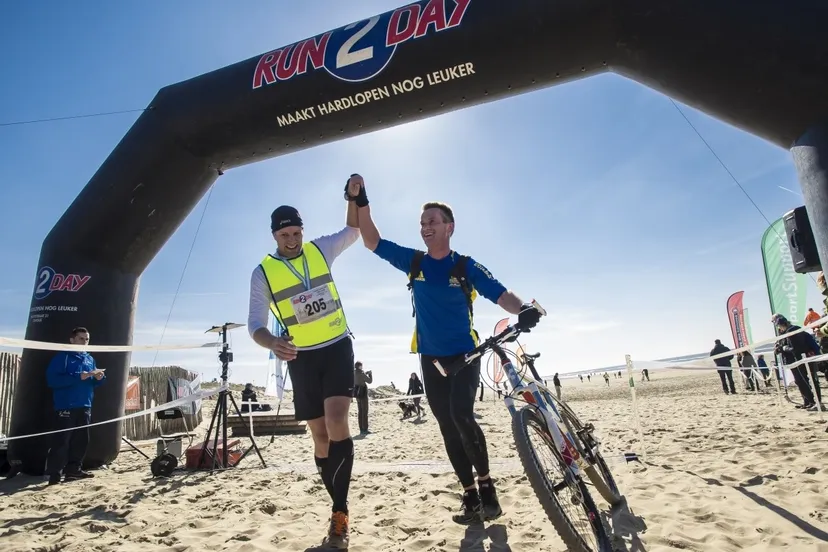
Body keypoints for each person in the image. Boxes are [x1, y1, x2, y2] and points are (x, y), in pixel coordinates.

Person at [348, 174, 542, 525]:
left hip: (465, 354)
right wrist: (361, 201)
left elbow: (499, 292)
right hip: (430, 358)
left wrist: (522, 309)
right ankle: (470, 495)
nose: (425, 227)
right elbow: (371, 241)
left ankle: (488, 490)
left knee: (461, 415)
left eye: (432, 221)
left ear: (449, 227)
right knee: (447, 426)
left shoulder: (465, 265)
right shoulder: (415, 262)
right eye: (422, 223)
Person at [247, 197, 359, 549]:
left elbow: (353, 230)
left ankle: (339, 512)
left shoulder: (320, 250)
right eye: (285, 235)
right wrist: (272, 344)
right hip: (302, 359)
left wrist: (354, 199)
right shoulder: (262, 272)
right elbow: (255, 324)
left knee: (338, 419)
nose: (292, 240)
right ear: (274, 235)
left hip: (338, 346)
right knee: (321, 439)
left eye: (296, 232)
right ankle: (337, 502)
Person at [44, 327, 106, 485]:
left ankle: (73, 471)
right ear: (72, 340)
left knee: (81, 440)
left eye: (87, 339)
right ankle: (54, 475)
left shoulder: (89, 359)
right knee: (61, 441)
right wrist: (78, 377)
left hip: (85, 404)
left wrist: (99, 378)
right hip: (66, 405)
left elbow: (91, 383)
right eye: (81, 338)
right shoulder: (63, 357)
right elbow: (53, 380)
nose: (84, 342)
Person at [773, 314, 822, 410]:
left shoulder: (792, 330)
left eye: (776, 324)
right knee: (800, 381)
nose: (777, 327)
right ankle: (807, 402)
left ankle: (814, 402)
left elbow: (796, 348)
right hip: (794, 361)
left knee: (805, 380)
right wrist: (779, 348)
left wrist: (782, 348)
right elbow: (783, 346)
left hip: (800, 360)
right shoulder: (784, 333)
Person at [354, 361, 373, 435]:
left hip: (357, 394)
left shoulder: (354, 373)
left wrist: (365, 373)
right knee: (364, 412)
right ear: (359, 366)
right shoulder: (361, 373)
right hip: (363, 394)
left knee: (360, 412)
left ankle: (361, 428)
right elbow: (369, 381)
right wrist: (370, 374)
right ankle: (365, 429)